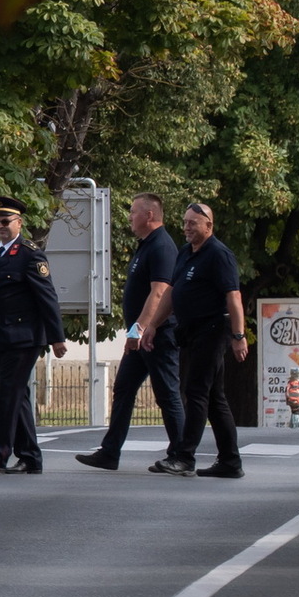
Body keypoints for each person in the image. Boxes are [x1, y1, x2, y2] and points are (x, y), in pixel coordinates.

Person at [78, 193, 188, 472]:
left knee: (167, 394)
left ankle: (182, 455)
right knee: (124, 388)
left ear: (149, 215)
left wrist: (139, 329)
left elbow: (160, 291)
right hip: (142, 335)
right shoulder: (147, 245)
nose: (129, 216)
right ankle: (110, 451)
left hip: (156, 335)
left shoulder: (161, 246)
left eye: (133, 211)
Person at [138, 202, 247, 479]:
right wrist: (152, 325)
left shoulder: (219, 254)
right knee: (214, 398)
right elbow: (172, 293)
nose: (186, 227)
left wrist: (238, 336)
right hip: (191, 332)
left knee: (196, 391)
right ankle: (230, 462)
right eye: (185, 222)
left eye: (193, 223)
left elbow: (233, 297)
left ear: (208, 226)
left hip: (212, 330)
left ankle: (184, 457)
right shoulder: (186, 253)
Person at [0, 196, 67, 474]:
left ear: (19, 223)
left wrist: (56, 337)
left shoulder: (30, 254)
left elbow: (46, 297)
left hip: (25, 335)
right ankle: (30, 457)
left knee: (7, 395)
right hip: (0, 336)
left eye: (6, 221)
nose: (0, 226)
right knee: (18, 397)